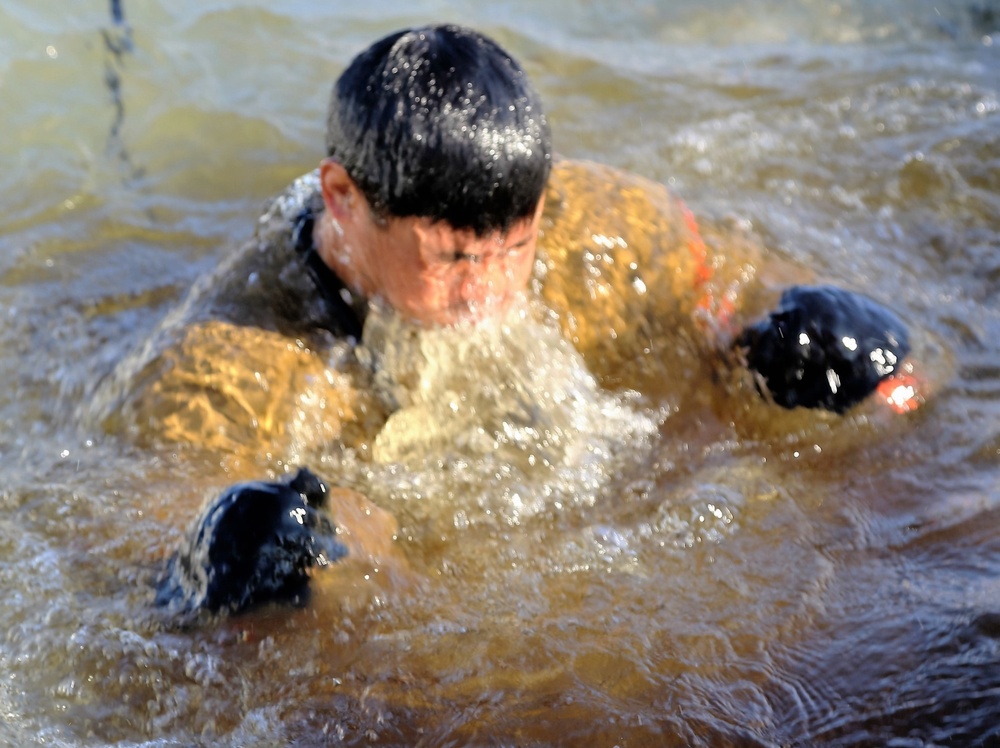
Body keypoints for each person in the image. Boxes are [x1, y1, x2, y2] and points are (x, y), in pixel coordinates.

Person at [89, 25, 921, 613]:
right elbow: (151, 527)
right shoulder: (235, 364)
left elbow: (742, 281)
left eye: (513, 248)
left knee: (847, 353)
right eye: (452, 260)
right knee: (260, 564)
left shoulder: (608, 225)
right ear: (341, 199)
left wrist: (762, 338)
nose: (488, 291)